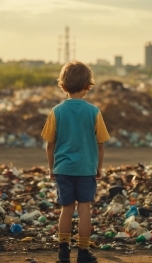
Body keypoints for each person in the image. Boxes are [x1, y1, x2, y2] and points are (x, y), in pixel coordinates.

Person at [41, 61, 110, 263]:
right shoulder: (94, 112)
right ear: (88, 85)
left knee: (66, 209)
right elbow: (100, 145)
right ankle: (83, 253)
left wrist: (52, 168)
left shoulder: (57, 111)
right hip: (86, 168)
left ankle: (63, 253)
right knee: (85, 209)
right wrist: (98, 168)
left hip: (63, 168)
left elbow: (50, 145)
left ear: (62, 85)